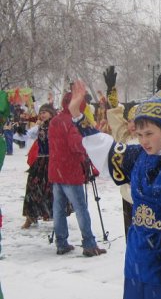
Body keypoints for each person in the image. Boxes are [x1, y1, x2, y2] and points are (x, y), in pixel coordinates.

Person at [68, 79, 161, 299]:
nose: (143, 141)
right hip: (137, 256)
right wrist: (77, 115)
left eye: (149, 134)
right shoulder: (136, 156)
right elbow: (103, 146)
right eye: (139, 135)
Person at [48, 91, 106, 257]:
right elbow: (77, 145)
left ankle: (61, 242)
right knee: (81, 208)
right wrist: (91, 140)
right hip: (70, 170)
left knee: (58, 208)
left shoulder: (55, 120)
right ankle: (89, 244)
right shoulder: (71, 122)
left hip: (56, 170)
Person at [103, 66, 138, 240]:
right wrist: (112, 94)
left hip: (147, 196)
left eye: (136, 122)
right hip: (127, 194)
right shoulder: (124, 137)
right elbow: (116, 120)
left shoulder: (152, 141)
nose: (131, 125)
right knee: (130, 234)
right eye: (130, 121)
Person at [21, 104, 57, 229]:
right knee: (32, 188)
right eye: (41, 112)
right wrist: (20, 129)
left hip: (52, 161)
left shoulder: (56, 126)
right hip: (40, 162)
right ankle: (30, 216)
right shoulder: (40, 127)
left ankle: (56, 216)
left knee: (51, 190)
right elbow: (26, 135)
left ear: (51, 113)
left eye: (45, 112)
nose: (42, 115)